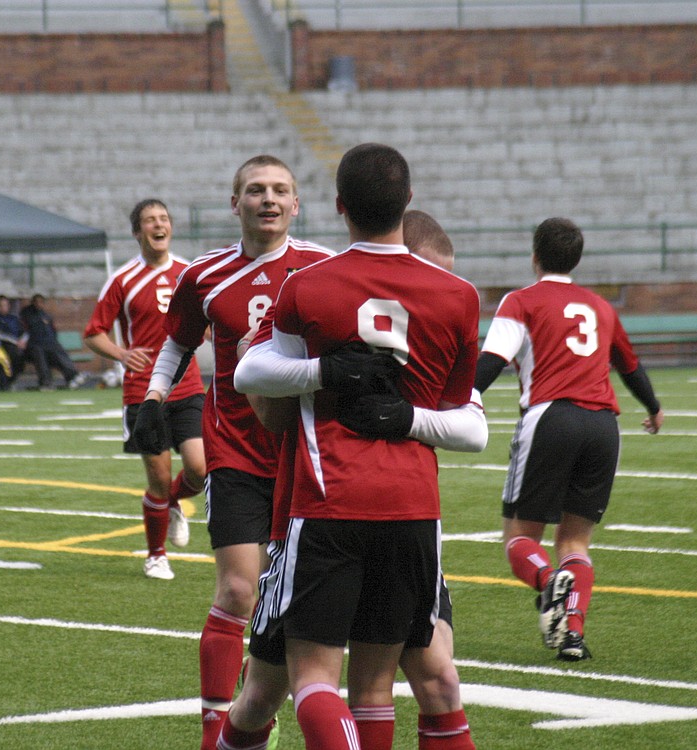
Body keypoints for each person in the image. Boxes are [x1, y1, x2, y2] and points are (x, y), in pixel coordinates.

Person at [233, 143, 487, 748]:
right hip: (413, 509)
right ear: (409, 201)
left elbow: (250, 374)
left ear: (339, 206)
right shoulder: (458, 296)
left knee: (313, 681)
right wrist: (406, 419)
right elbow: (470, 426)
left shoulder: (309, 286)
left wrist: (324, 373)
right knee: (379, 685)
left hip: (325, 503)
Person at [134, 155, 333, 749]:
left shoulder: (324, 267)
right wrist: (154, 396)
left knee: (299, 603)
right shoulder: (206, 274)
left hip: (307, 455)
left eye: (279, 191)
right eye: (255, 190)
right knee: (239, 591)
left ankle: (258, 711)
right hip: (238, 456)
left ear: (296, 204)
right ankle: (213, 731)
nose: (267, 199)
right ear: (235, 203)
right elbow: (177, 343)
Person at [475, 216, 664, 661]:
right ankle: (571, 634)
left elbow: (493, 359)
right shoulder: (600, 306)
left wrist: (456, 399)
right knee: (575, 542)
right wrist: (653, 408)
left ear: (535, 256)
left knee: (520, 537)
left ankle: (547, 582)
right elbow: (629, 365)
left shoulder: (522, 301)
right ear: (576, 258)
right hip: (603, 425)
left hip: (550, 417)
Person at [83, 199, 206, 580]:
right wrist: (121, 353)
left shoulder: (190, 272)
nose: (159, 224)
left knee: (201, 470)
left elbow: (211, 316)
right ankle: (156, 555)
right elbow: (93, 333)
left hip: (187, 386)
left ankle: (169, 504)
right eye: (150, 220)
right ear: (138, 232)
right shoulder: (123, 280)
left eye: (164, 218)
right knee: (157, 476)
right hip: (142, 392)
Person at [20, 294, 84, 390]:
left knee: (57, 352)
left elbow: (53, 332)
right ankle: (45, 381)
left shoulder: (46, 315)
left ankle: (72, 376)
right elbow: (27, 331)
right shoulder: (27, 315)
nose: (39, 304)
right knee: (40, 353)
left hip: (49, 344)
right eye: (36, 302)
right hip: (33, 345)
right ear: (33, 303)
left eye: (41, 302)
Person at [0, 295, 26, 391]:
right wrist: (15, 342)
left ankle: (10, 381)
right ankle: (4, 384)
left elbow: (23, 332)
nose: (3, 308)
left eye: (5, 305)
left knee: (21, 356)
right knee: (6, 356)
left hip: (17, 345)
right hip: (0, 345)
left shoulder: (14, 318)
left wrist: (23, 340)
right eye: (0, 305)